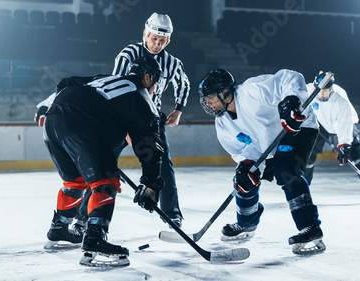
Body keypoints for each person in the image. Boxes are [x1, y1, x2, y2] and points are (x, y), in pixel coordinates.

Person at [43, 56, 165, 267]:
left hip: (53, 120)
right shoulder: (142, 98)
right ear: (148, 77)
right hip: (83, 126)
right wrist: (151, 183)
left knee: (76, 181)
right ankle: (95, 239)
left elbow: (65, 82)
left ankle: (59, 228)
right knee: (106, 181)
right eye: (155, 83)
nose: (154, 88)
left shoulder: (105, 79)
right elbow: (150, 148)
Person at [198, 69, 326, 255]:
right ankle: (247, 223)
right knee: (243, 179)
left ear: (225, 92)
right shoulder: (223, 124)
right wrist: (249, 167)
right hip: (267, 144)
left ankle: (310, 227)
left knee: (286, 170)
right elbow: (243, 151)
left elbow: (290, 77)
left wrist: (291, 101)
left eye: (211, 97)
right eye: (206, 100)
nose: (209, 103)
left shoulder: (252, 92)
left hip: (297, 127)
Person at [112, 12, 190, 227]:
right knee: (103, 161)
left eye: (162, 40)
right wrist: (123, 125)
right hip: (122, 118)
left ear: (168, 40)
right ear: (145, 34)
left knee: (164, 163)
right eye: (154, 38)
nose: (157, 44)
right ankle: (83, 217)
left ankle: (172, 213)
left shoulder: (173, 63)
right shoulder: (127, 54)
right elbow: (116, 87)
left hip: (151, 120)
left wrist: (178, 110)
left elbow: (183, 84)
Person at [304, 72, 360, 200]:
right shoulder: (309, 90)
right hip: (321, 123)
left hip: (345, 122)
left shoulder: (340, 100)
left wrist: (344, 146)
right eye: (319, 90)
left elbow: (344, 125)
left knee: (357, 155)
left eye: (324, 91)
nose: (320, 94)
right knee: (308, 154)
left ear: (331, 89)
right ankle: (304, 189)